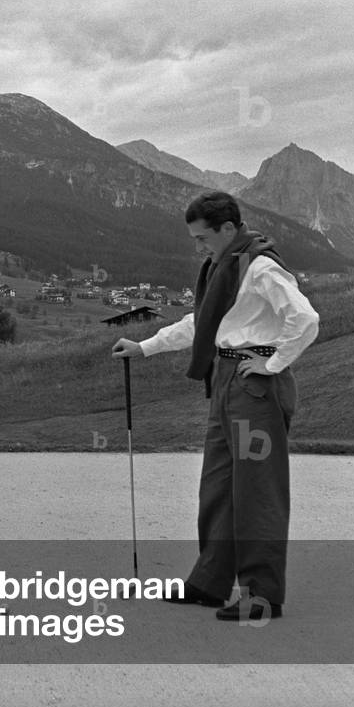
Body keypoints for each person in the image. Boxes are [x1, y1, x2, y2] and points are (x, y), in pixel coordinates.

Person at [112, 191, 318, 622]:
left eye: (203, 237)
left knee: (257, 492)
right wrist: (145, 347)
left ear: (229, 228)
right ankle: (210, 582)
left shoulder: (260, 266)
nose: (199, 246)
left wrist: (273, 362)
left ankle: (262, 595)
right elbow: (203, 322)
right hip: (225, 380)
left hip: (254, 383)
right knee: (218, 486)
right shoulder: (223, 267)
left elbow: (305, 319)